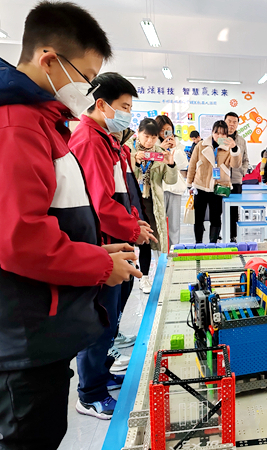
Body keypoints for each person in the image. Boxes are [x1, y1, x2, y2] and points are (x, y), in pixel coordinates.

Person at [0, 2, 141, 448]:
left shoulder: (46, 123)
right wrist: (99, 264)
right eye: (86, 76)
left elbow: (60, 212)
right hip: (25, 330)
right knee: (30, 435)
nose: (88, 87)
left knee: (46, 428)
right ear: (49, 60)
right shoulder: (17, 126)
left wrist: (97, 251)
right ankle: (92, 390)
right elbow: (21, 239)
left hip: (48, 319)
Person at [70, 72, 158, 418]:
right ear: (101, 104)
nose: (127, 115)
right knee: (100, 321)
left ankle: (101, 375)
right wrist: (131, 229)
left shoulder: (107, 141)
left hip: (117, 241)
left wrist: (134, 222)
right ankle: (89, 393)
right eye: (123, 107)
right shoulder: (89, 141)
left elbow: (121, 195)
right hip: (102, 245)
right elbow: (99, 204)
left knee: (111, 318)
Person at [130, 118, 178, 293]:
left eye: (153, 137)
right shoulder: (129, 150)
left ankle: (145, 277)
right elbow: (128, 177)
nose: (149, 141)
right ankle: (131, 275)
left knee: (149, 239)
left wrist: (170, 164)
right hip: (132, 201)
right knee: (130, 239)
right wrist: (136, 162)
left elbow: (170, 180)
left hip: (151, 202)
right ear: (138, 133)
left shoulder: (160, 153)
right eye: (146, 136)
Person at [187, 120, 243, 243]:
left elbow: (236, 165)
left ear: (227, 135)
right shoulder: (201, 145)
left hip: (219, 187)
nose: (219, 136)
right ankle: (198, 244)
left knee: (216, 218)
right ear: (212, 132)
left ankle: (213, 244)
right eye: (217, 133)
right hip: (201, 185)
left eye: (223, 134)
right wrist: (189, 184)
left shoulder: (228, 148)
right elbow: (192, 165)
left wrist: (234, 148)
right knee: (198, 218)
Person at [155, 115, 189, 248]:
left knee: (174, 224)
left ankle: (174, 250)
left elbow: (183, 164)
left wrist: (175, 149)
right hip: (159, 188)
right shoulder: (153, 143)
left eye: (168, 130)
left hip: (174, 188)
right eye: (162, 130)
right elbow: (153, 166)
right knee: (159, 223)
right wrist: (160, 149)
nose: (166, 133)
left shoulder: (178, 145)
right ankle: (161, 252)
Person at [225, 112, 249, 241]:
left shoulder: (241, 141)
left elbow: (245, 159)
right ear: (224, 122)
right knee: (219, 209)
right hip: (221, 180)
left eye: (234, 122)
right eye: (229, 121)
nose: (232, 124)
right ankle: (221, 233)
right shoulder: (220, 138)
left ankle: (232, 235)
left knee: (234, 210)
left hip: (236, 180)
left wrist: (242, 172)